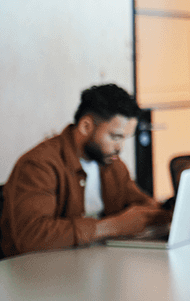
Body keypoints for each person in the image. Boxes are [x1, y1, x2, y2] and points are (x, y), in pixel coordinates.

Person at [0, 84, 169, 257]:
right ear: (86, 126)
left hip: (91, 261)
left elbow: (140, 206)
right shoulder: (39, 165)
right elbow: (32, 236)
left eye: (125, 138)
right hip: (35, 268)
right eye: (115, 137)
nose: (120, 148)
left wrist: (167, 213)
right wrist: (112, 226)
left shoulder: (112, 164)